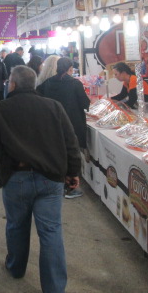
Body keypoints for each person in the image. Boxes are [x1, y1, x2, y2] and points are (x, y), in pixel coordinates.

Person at [0, 66, 80, 292]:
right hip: (50, 178)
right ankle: (54, 288)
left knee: (16, 226)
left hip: (16, 178)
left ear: (13, 84)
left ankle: (16, 268)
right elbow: (70, 142)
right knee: (51, 232)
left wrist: (7, 161)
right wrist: (73, 171)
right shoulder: (54, 107)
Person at [37, 57, 91, 199]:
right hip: (72, 123)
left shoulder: (48, 82)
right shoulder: (75, 84)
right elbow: (85, 103)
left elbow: (38, 95)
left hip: (52, 124)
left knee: (56, 154)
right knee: (72, 154)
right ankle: (71, 188)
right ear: (70, 69)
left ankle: (56, 185)